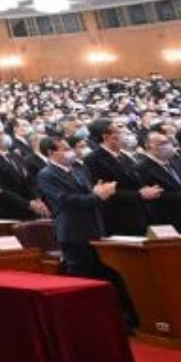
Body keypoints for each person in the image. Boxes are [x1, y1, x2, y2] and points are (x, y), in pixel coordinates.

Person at [35, 135, 137, 328]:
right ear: (50, 153)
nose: (70, 152)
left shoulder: (79, 168)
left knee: (107, 276)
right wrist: (97, 196)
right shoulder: (46, 175)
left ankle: (119, 320)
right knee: (82, 279)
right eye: (64, 148)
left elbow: (90, 192)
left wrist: (99, 192)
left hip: (95, 228)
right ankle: (84, 324)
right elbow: (65, 201)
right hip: (74, 232)